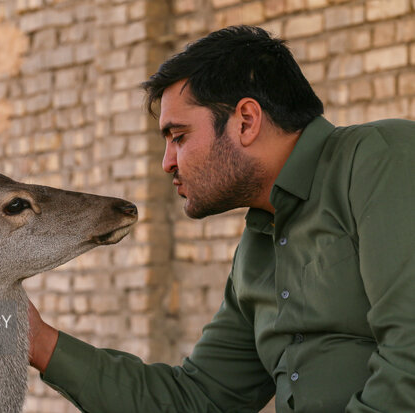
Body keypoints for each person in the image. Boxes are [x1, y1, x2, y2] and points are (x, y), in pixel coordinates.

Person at [27, 25, 415, 412]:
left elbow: (409, 357)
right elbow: (197, 399)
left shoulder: (382, 158)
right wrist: (38, 341)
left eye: (178, 136)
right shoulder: (258, 248)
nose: (167, 163)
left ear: (246, 121)